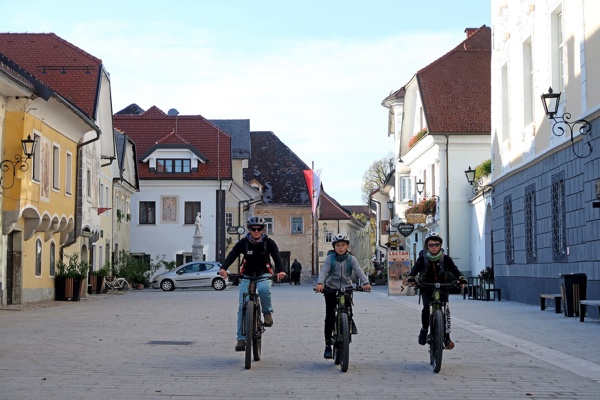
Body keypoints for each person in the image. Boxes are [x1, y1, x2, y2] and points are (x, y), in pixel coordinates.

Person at [218, 216, 286, 352]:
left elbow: (277, 256)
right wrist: (223, 268)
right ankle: (241, 339)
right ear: (249, 229)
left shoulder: (269, 242)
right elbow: (232, 254)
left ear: (262, 230)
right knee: (242, 305)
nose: (256, 231)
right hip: (246, 274)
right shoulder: (243, 242)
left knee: (263, 290)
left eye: (259, 229)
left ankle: (267, 313)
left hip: (264, 273)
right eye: (253, 229)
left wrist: (282, 271)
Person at [406, 232, 467, 350]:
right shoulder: (422, 258)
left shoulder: (445, 259)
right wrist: (411, 277)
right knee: (426, 307)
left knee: (445, 310)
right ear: (427, 246)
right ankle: (424, 330)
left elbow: (454, 269)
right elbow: (415, 269)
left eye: (436, 244)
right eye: (431, 245)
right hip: (427, 286)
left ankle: (447, 337)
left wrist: (461, 278)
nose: (434, 247)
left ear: (440, 246)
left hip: (443, 286)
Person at [315, 234, 371, 359]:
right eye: (338, 245)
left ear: (347, 246)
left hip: (347, 287)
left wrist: (366, 283)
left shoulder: (351, 259)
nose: (340, 248)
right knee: (330, 315)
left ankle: (349, 322)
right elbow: (324, 271)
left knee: (347, 308)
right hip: (330, 288)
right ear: (334, 247)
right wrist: (320, 284)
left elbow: (359, 271)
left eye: (343, 245)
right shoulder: (330, 259)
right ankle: (328, 344)